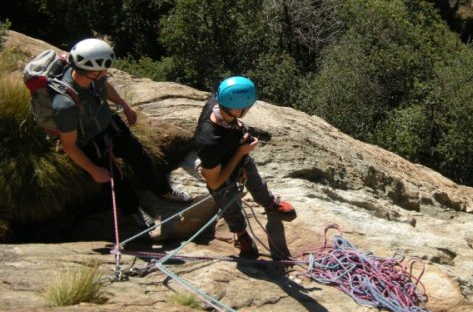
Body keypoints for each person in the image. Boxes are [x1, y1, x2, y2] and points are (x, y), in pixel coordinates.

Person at [52, 38, 193, 228]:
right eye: (103, 70)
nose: (107, 72)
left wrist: (124, 105)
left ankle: (163, 191)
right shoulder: (65, 104)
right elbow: (69, 145)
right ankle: (133, 210)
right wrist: (93, 170)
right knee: (115, 178)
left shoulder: (93, 78)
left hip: (110, 124)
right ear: (92, 72)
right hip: (91, 140)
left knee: (139, 156)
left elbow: (104, 86)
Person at [193, 76, 296, 257]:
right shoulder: (208, 141)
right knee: (229, 205)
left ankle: (269, 203)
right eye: (247, 107)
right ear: (236, 109)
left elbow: (228, 124)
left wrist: (241, 143)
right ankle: (241, 234)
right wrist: (240, 152)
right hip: (219, 169)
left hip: (237, 154)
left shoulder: (217, 103)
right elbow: (215, 183)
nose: (249, 109)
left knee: (256, 180)